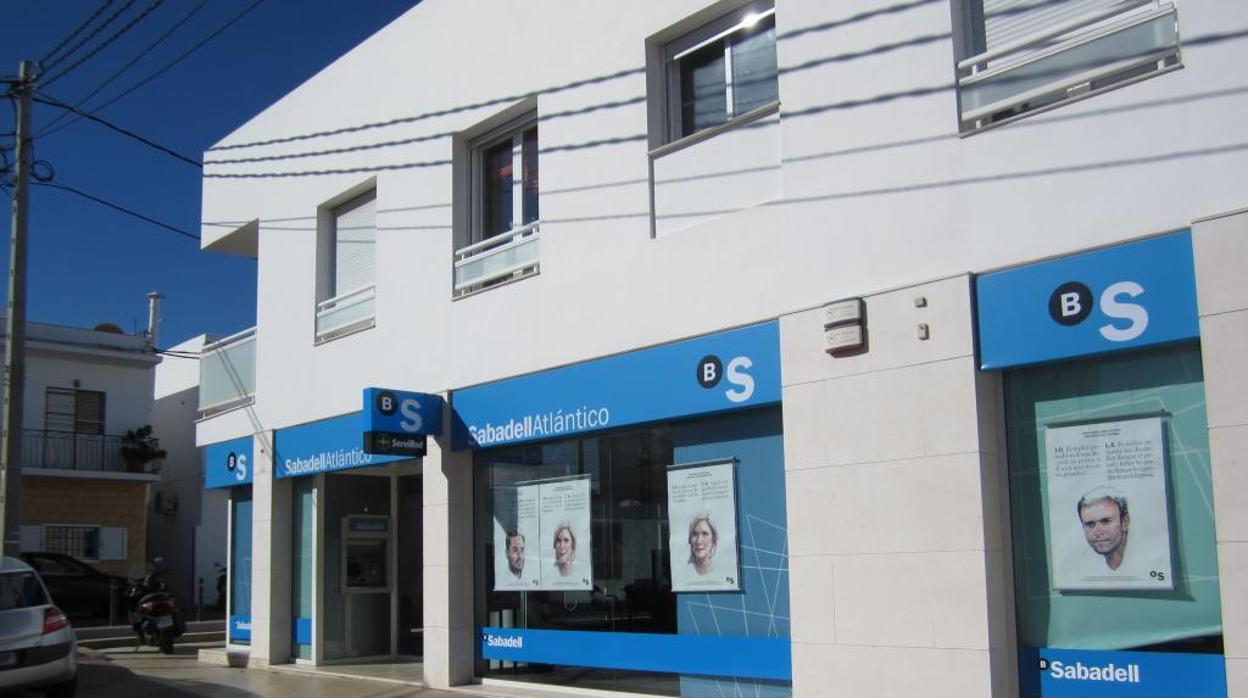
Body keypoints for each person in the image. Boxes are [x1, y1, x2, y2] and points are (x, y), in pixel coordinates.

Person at [1077, 488, 1130, 571]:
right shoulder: (1083, 567)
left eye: (1106, 521)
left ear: (1125, 522)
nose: (1098, 532)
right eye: (1090, 524)